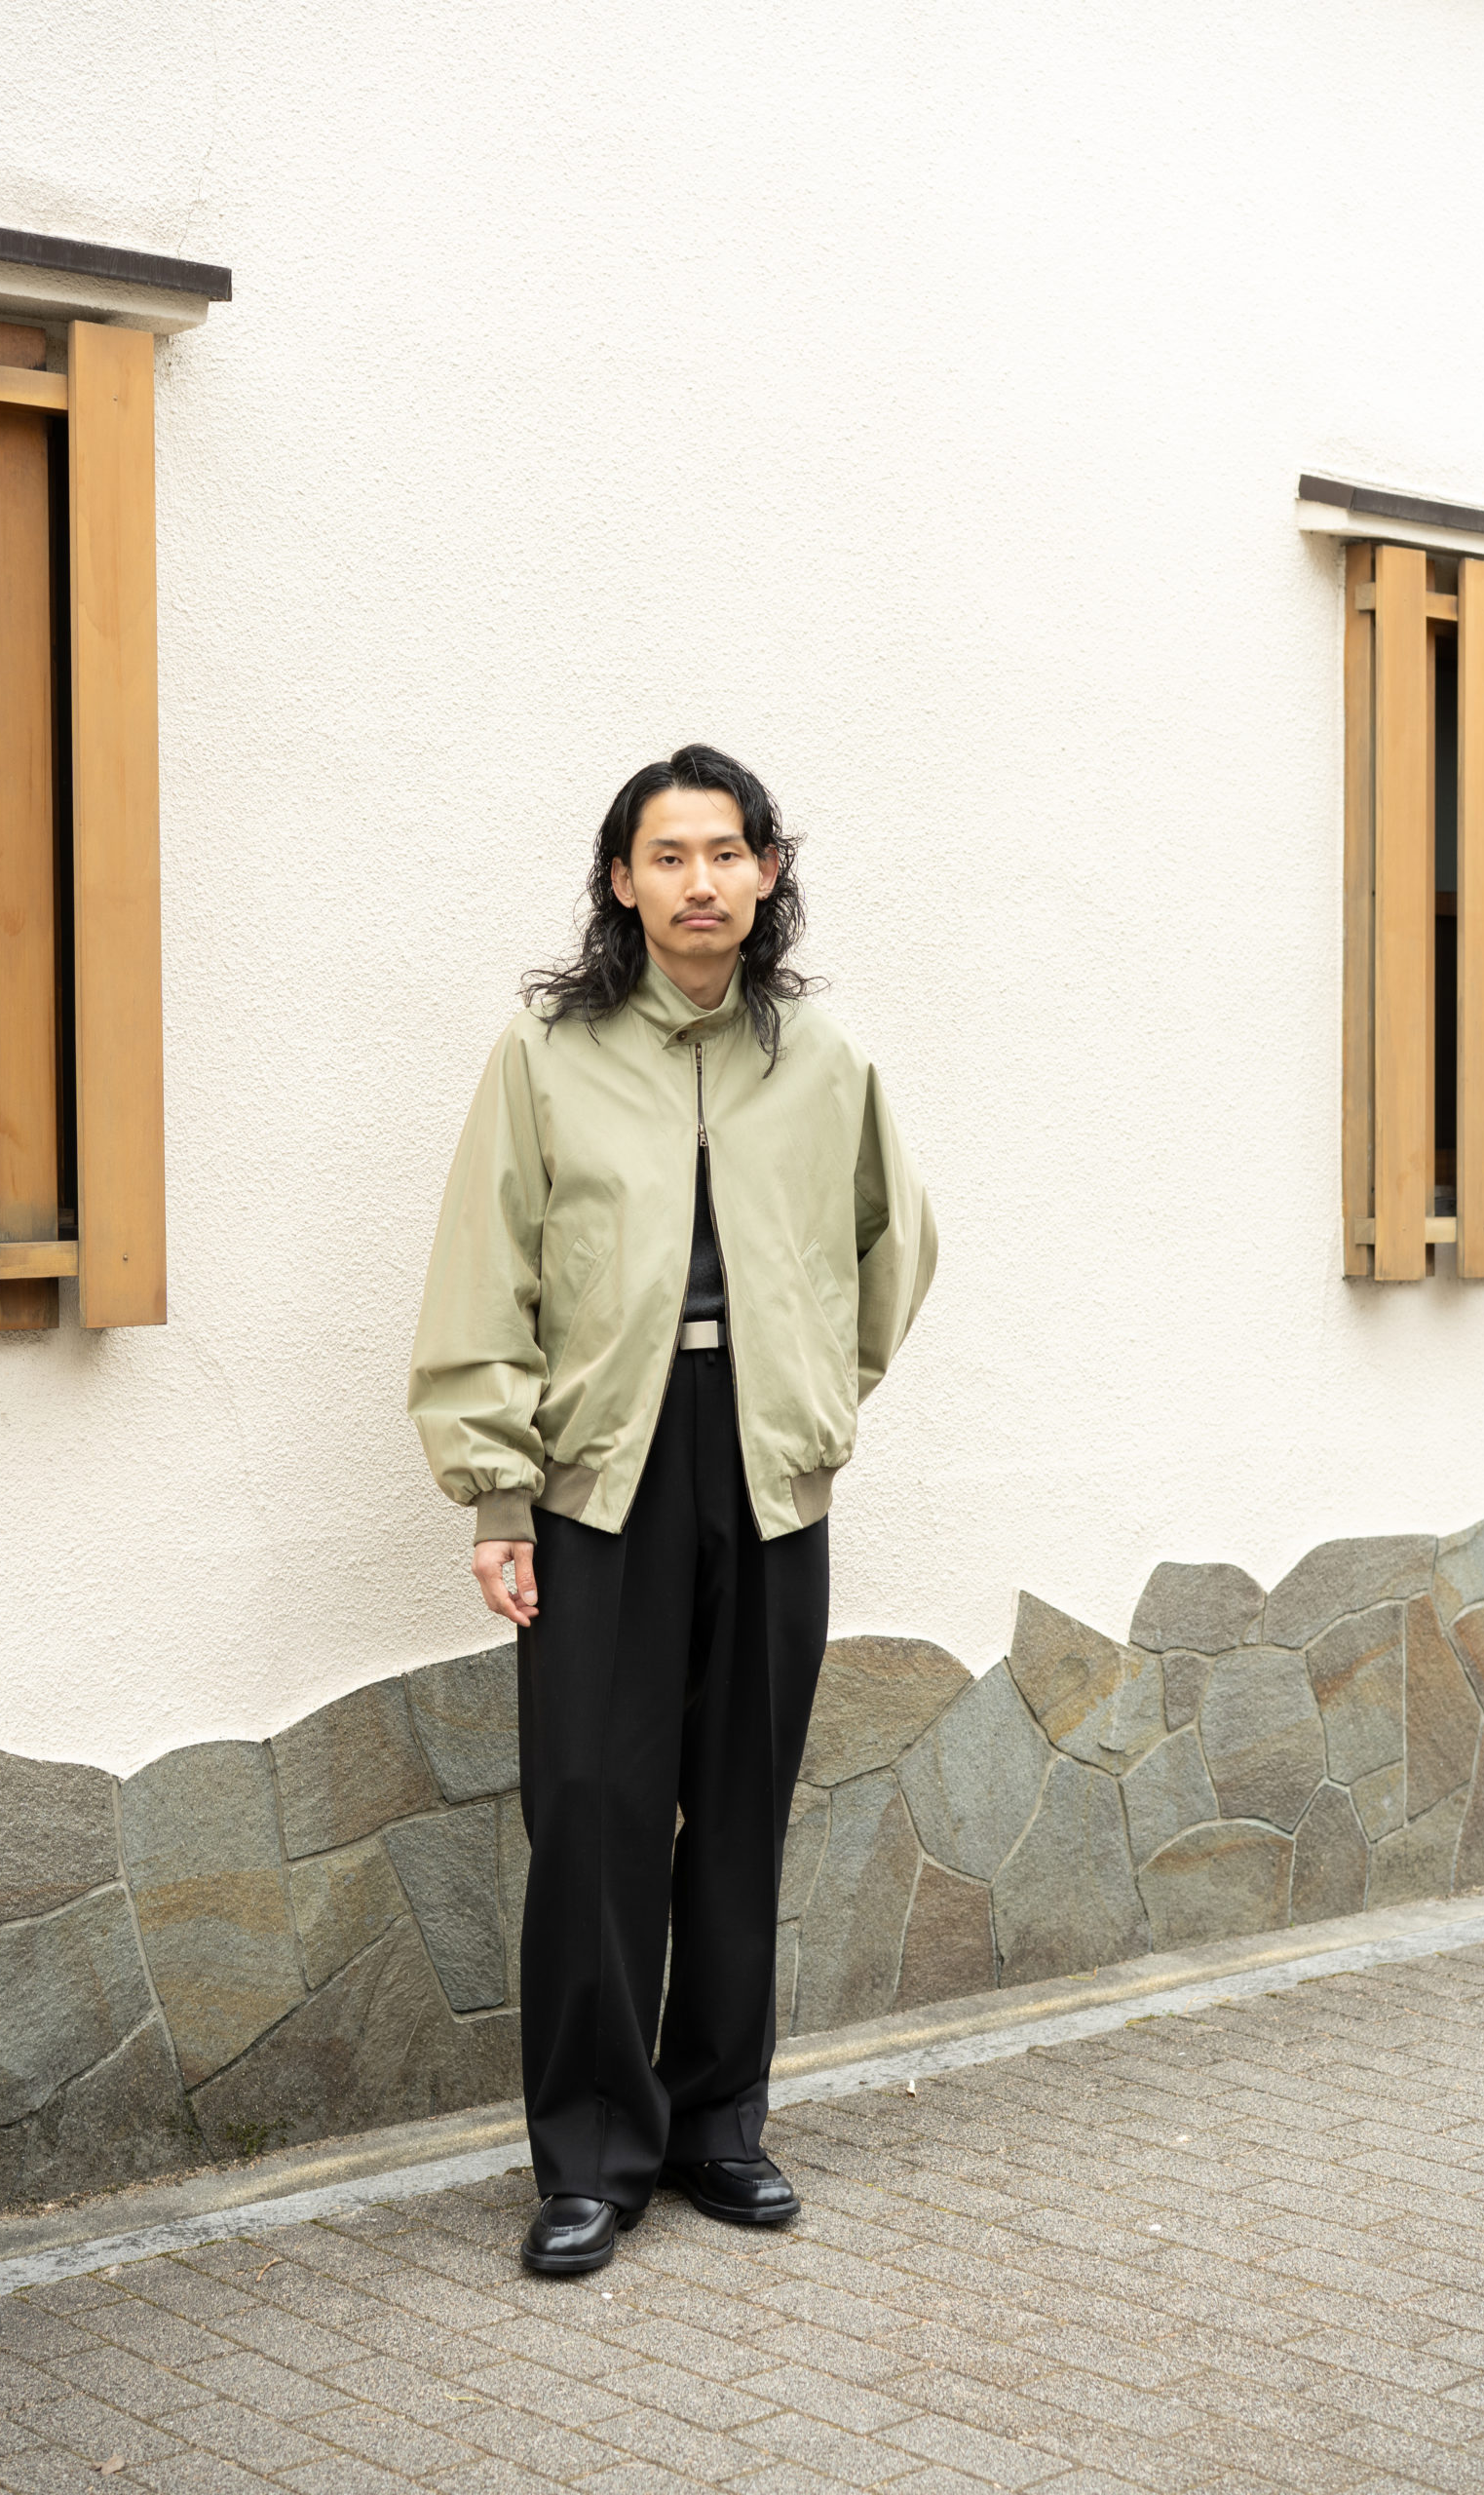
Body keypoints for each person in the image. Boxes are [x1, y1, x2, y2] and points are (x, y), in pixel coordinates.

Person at [408, 745, 935, 2275]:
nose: (700, 882)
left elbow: (891, 1245)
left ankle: (719, 2125)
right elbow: (484, 1268)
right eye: (668, 855)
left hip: (766, 1471)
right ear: (622, 880)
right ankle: (590, 2156)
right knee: (592, 1811)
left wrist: (816, 1398)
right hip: (597, 1473)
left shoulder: (818, 1058)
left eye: (726, 852)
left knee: (739, 1812)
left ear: (767, 872)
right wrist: (498, 1491)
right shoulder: (547, 1055)